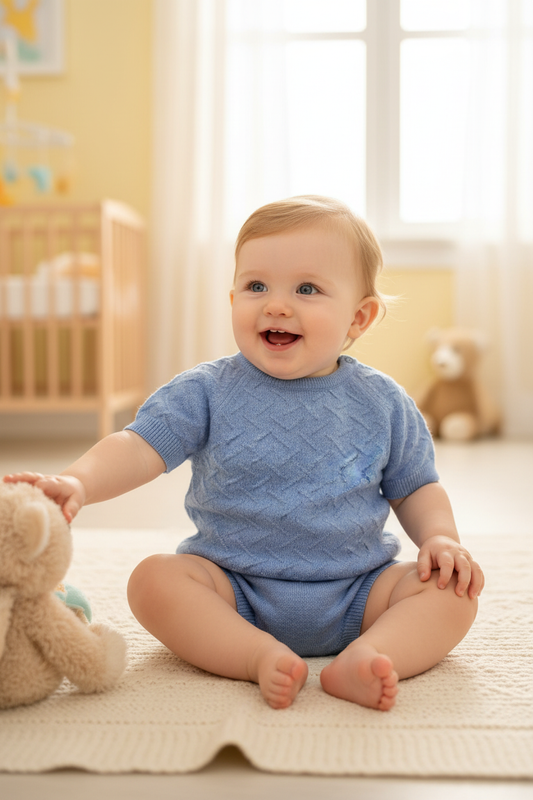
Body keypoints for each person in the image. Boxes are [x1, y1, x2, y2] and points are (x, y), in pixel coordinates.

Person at [3, 195, 484, 712]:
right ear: (232, 300)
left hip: (359, 590)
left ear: (358, 318)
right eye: (256, 286)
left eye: (307, 288)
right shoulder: (207, 390)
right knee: (153, 580)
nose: (276, 304)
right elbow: (137, 446)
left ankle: (369, 656)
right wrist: (78, 483)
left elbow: (417, 485)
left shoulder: (384, 401)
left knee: (454, 593)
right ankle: (255, 654)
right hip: (234, 589)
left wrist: (441, 539)